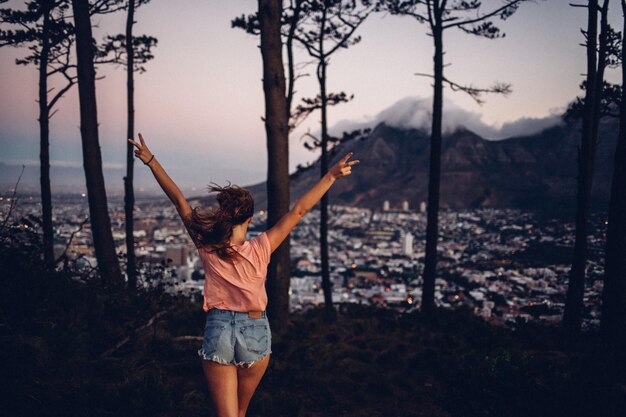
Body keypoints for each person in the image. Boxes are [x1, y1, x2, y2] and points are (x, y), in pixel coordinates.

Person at [128, 133, 359, 417]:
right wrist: (331, 177)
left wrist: (151, 161)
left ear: (223, 216)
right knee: (241, 412)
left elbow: (179, 200)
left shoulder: (207, 245)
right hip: (255, 331)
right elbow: (299, 210)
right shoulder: (263, 246)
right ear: (250, 218)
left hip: (219, 329)